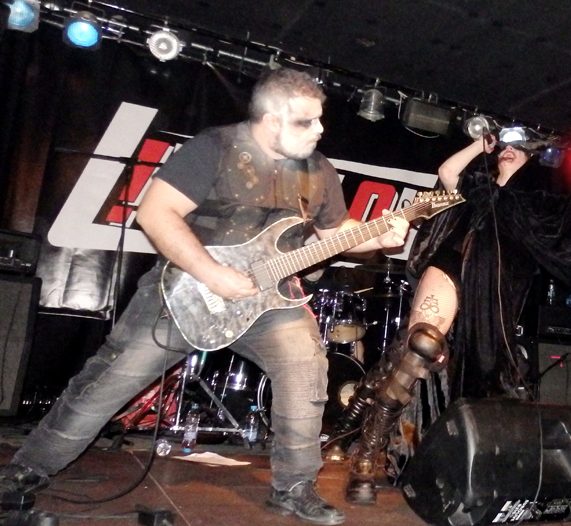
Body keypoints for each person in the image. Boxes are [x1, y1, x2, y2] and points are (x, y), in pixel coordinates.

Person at [0, 69, 409, 526]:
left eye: (319, 119)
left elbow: (334, 234)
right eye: (305, 121)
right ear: (271, 120)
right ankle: (28, 469)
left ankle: (294, 487)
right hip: (187, 290)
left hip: (269, 300)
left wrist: (378, 236)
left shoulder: (319, 170)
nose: (319, 129)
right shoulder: (215, 147)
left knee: (305, 370)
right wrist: (211, 273)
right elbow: (155, 212)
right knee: (108, 382)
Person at [332, 110, 571, 505]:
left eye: (519, 148)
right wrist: (481, 144)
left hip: (492, 309)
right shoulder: (475, 188)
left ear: (531, 159)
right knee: (418, 346)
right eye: (505, 147)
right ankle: (366, 455)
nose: (509, 150)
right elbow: (447, 171)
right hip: (450, 268)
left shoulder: (538, 207)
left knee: (411, 359)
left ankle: (355, 414)